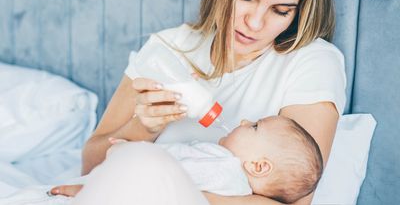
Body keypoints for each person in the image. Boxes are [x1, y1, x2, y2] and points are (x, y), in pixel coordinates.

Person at [53, 0, 346, 204]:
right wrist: (144, 126)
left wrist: (147, 190)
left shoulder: (311, 63)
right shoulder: (168, 49)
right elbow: (90, 166)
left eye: (281, 10)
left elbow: (295, 202)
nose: (255, 23)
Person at [52, 116, 323, 204]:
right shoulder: (229, 175)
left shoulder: (225, 169)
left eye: (254, 127)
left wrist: (130, 153)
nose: (244, 121)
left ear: (259, 166)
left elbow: (172, 178)